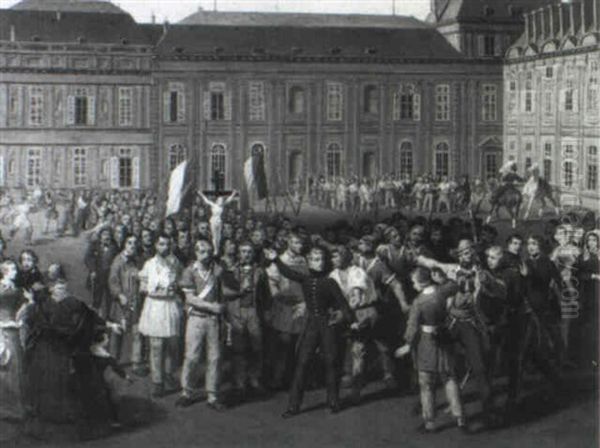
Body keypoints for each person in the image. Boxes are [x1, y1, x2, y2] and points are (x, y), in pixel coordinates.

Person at [265, 246, 354, 418]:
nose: (318, 263)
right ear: (308, 261)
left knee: (331, 362)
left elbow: (343, 305)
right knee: (302, 363)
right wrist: (275, 259)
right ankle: (293, 406)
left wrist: (349, 320)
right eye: (314, 259)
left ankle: (333, 401)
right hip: (311, 325)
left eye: (320, 259)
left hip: (328, 326)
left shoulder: (330, 282)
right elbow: (288, 272)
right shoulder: (305, 279)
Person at [396, 267, 466, 433]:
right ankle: (460, 417)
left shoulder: (419, 302)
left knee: (426, 383)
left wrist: (407, 344)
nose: (413, 286)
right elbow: (455, 286)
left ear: (420, 282)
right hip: (444, 338)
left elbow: (412, 326)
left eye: (414, 282)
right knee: (449, 378)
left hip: (427, 343)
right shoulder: (442, 293)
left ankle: (429, 422)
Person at [222, 241, 269, 402]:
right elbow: (224, 293)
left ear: (253, 254)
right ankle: (240, 382)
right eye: (243, 251)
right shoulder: (230, 271)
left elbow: (266, 294)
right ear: (238, 253)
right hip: (236, 312)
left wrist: (266, 312)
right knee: (238, 349)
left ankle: (254, 379)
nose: (246, 255)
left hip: (254, 312)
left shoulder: (260, 272)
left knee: (257, 347)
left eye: (249, 252)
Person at [137, 234, 183, 398]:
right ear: (156, 246)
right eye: (162, 244)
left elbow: (181, 282)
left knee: (172, 345)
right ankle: (157, 381)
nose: (165, 247)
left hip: (170, 306)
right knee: (156, 346)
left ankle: (169, 374)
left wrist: (173, 288)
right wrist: (152, 289)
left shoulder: (175, 263)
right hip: (155, 307)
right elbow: (142, 287)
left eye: (168, 244)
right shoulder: (149, 264)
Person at [265, 233, 308, 390]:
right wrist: (279, 297)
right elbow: (272, 283)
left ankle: (296, 378)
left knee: (300, 343)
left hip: (302, 306)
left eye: (301, 243)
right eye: (296, 242)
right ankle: (278, 378)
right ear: (289, 243)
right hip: (285, 306)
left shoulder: (304, 260)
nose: (299, 246)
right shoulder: (280, 260)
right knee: (284, 343)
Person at [108, 235, 147, 374]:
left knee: (137, 332)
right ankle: (113, 361)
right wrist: (119, 294)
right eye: (129, 243)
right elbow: (112, 281)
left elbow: (142, 278)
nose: (132, 246)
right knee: (118, 331)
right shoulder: (118, 261)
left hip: (136, 301)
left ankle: (136, 363)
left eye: (135, 243)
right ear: (124, 244)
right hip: (121, 302)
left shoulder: (137, 261)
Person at [0, 260, 29, 421]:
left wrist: (20, 320)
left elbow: (24, 308)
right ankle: (4, 407)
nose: (15, 272)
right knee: (4, 365)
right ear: (4, 271)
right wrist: (2, 323)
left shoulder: (18, 290)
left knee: (16, 367)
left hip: (14, 330)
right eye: (12, 270)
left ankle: (16, 407)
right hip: (2, 330)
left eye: (15, 269)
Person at [84, 227, 119, 319]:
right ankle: (94, 317)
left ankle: (108, 317)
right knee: (96, 297)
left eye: (108, 235)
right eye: (104, 235)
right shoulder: (94, 245)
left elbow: (117, 260)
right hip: (97, 275)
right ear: (100, 236)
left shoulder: (114, 246)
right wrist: (92, 270)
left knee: (109, 298)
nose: (106, 237)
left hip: (110, 276)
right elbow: (88, 258)